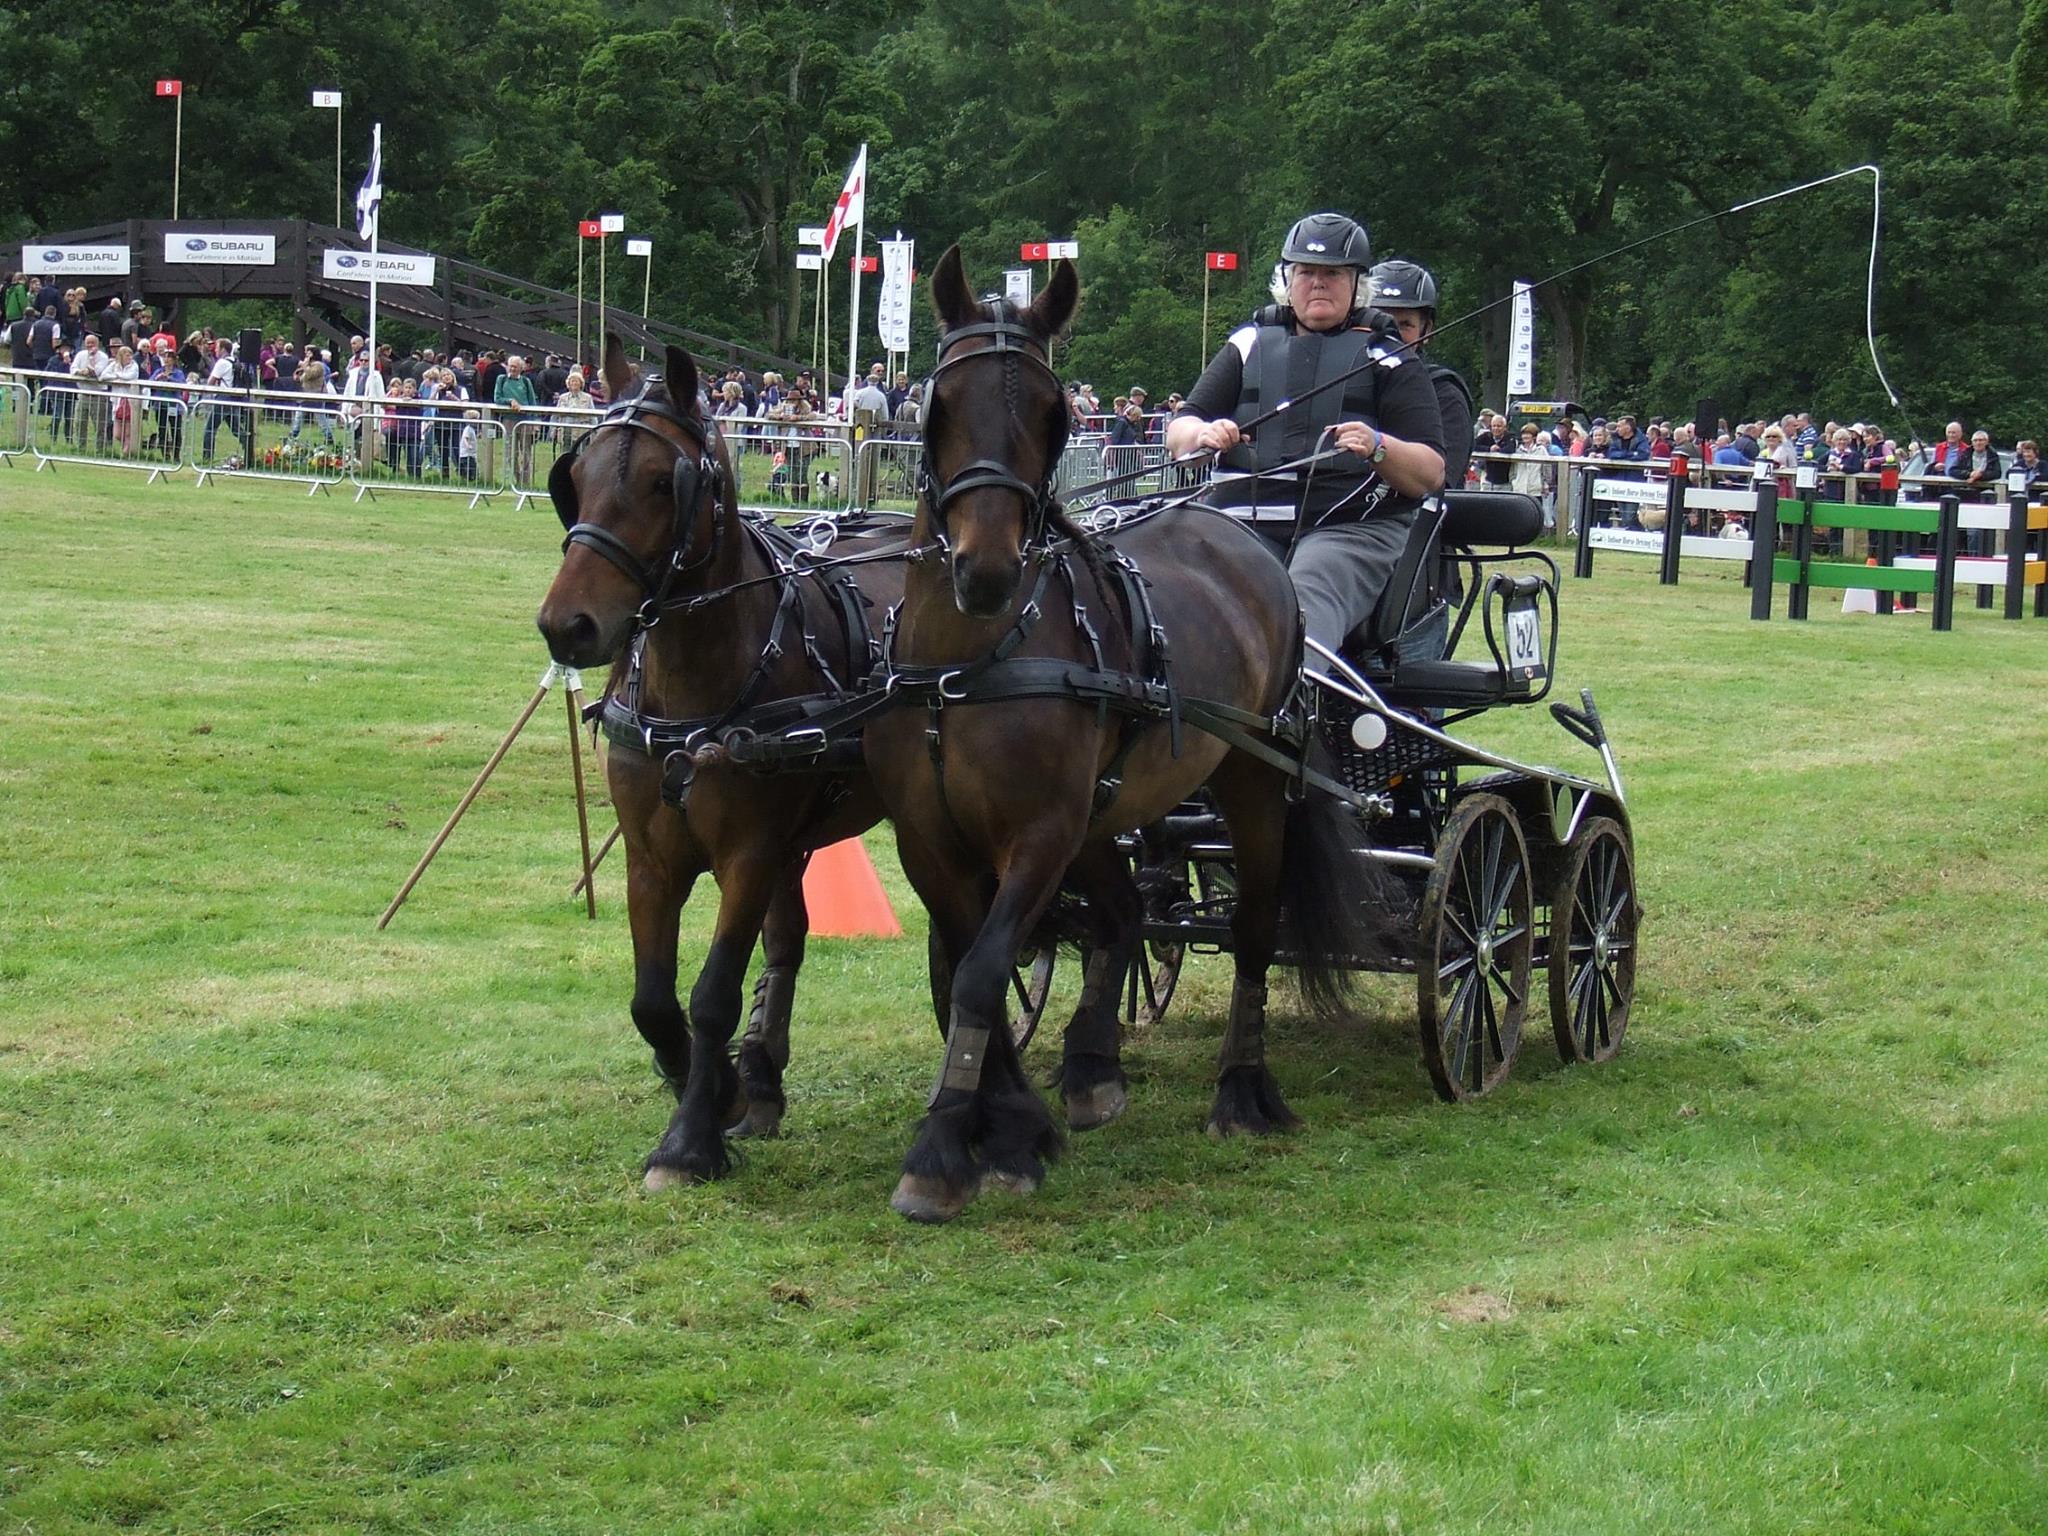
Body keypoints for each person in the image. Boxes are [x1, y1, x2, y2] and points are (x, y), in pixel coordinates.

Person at [1165, 212, 1444, 661]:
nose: (1318, 283)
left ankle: (1293, 712)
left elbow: (1430, 471)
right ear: (1287, 279)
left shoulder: (1388, 356)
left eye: (1333, 273)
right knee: (1175, 597)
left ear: (1357, 284)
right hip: (1243, 517)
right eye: (1306, 272)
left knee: (1302, 602)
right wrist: (1201, 432)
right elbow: (1180, 429)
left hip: (1349, 527)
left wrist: (1378, 446)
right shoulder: (1247, 344)